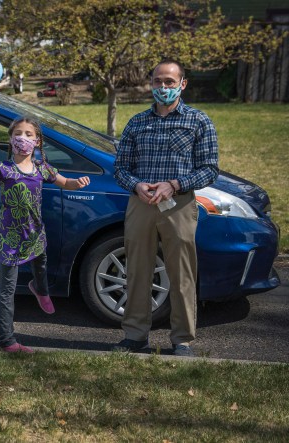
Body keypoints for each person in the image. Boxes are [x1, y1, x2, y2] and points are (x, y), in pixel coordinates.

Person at [112, 59, 219, 357]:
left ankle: (182, 339)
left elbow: (210, 169)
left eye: (170, 82)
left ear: (182, 84)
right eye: (158, 81)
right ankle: (135, 335)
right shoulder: (137, 122)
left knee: (182, 273)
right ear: (151, 84)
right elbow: (120, 168)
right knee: (137, 271)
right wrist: (136, 185)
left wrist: (174, 184)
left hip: (179, 205)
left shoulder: (199, 121)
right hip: (141, 203)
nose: (163, 87)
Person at [0, 118, 90, 353]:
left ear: (37, 141)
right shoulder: (3, 169)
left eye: (28, 134)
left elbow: (65, 182)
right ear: (11, 139)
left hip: (35, 233)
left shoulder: (42, 168)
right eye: (18, 133)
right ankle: (6, 340)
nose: (22, 138)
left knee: (41, 264)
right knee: (7, 289)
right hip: (10, 239)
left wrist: (78, 182)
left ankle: (40, 289)